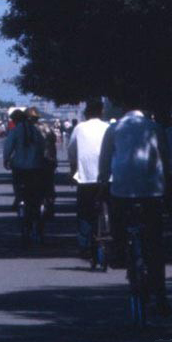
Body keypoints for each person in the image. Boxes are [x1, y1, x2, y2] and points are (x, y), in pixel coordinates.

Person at [97, 107, 172, 316]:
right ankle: (160, 296)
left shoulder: (114, 128)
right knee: (155, 245)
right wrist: (168, 185)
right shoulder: (155, 127)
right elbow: (165, 158)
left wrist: (103, 181)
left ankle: (120, 253)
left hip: (122, 189)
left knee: (119, 225)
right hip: (152, 191)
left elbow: (104, 160)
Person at [67, 98, 110, 255]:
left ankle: (84, 244)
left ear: (86, 113)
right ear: (102, 112)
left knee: (84, 212)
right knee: (111, 208)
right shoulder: (108, 128)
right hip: (107, 178)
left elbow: (71, 151)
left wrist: (73, 170)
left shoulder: (79, 128)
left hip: (85, 178)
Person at [3, 108, 47, 237]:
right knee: (35, 195)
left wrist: (6, 160)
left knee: (18, 185)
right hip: (35, 167)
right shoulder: (35, 130)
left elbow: (8, 147)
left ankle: (18, 198)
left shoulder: (15, 131)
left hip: (20, 167)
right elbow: (42, 146)